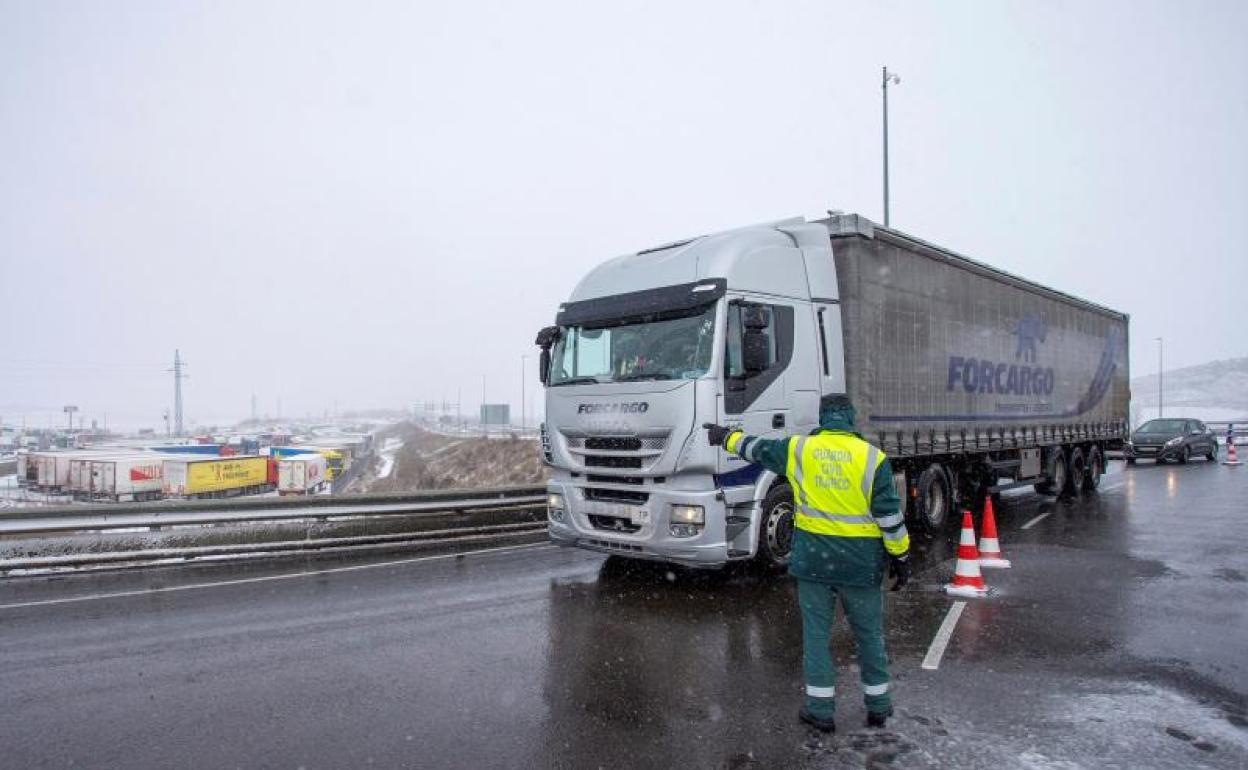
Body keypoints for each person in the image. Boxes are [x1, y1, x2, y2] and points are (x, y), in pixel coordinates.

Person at [704, 394, 911, 733]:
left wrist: (724, 437)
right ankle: (878, 707)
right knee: (869, 636)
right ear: (851, 418)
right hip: (860, 565)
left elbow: (756, 449)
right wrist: (901, 556)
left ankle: (820, 711)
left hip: (814, 562)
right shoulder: (873, 459)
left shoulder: (800, 450)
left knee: (816, 637)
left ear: (823, 417)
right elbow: (889, 517)